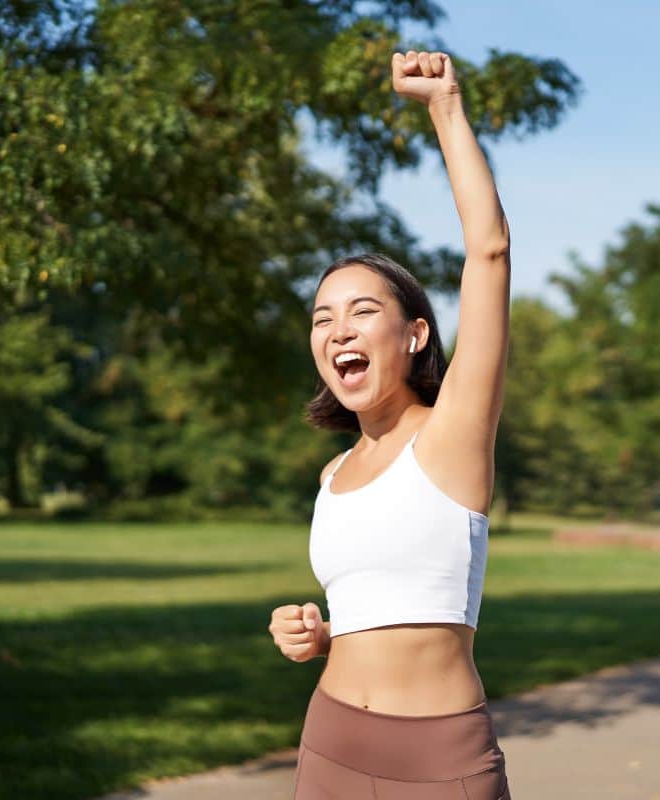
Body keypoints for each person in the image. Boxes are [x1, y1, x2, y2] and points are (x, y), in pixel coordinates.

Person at [268, 49, 512, 800]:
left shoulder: (451, 437)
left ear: (412, 335)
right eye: (323, 317)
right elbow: (377, 608)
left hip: (441, 759)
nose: (339, 329)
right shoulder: (332, 475)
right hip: (331, 741)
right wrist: (310, 634)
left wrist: (445, 107)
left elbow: (489, 251)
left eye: (363, 311)